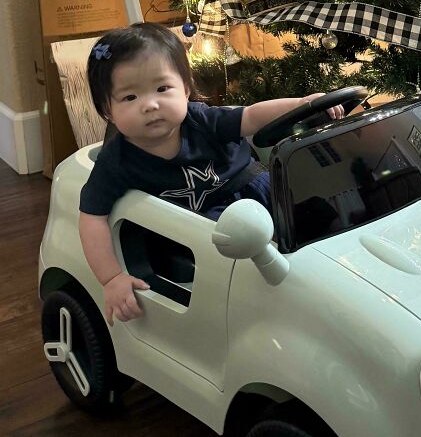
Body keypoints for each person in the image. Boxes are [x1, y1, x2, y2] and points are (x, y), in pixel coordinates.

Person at [79, 22, 345, 327]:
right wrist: (111, 278)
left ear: (186, 89)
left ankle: (335, 282)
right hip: (210, 222)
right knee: (246, 271)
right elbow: (92, 217)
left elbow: (251, 116)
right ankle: (277, 314)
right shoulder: (116, 161)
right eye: (130, 97)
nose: (150, 104)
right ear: (107, 110)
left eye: (162, 89)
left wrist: (302, 104)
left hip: (257, 189)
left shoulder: (200, 119)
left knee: (322, 216)